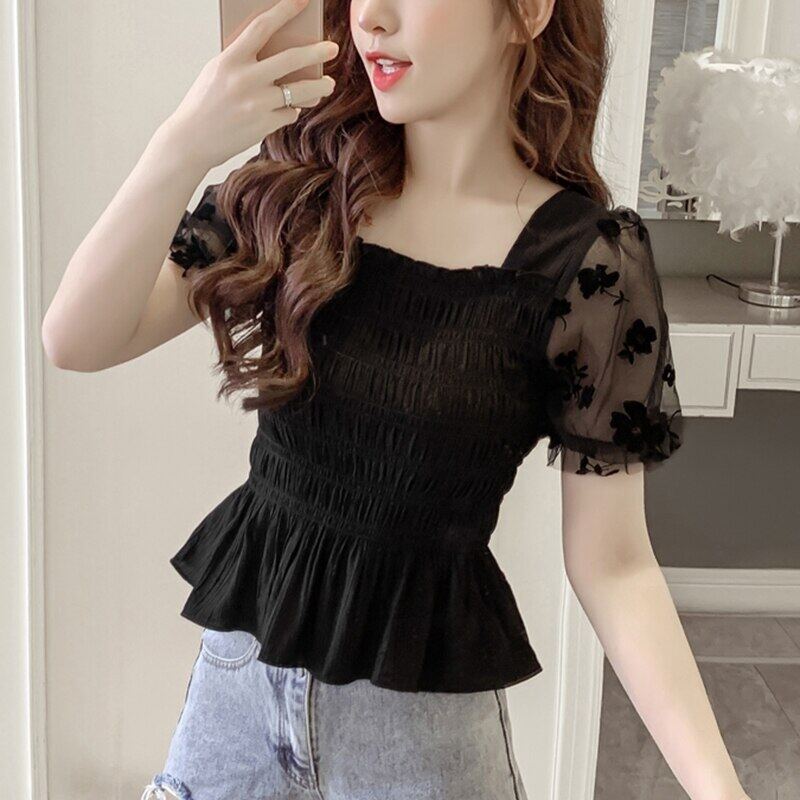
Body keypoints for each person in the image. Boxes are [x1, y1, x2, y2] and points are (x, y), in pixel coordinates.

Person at [42, 1, 751, 799]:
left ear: (526, 11)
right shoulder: (301, 192)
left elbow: (614, 565)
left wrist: (720, 791)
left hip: (416, 740)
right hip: (236, 700)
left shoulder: (588, 264)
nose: (370, 18)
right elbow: (77, 339)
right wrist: (183, 142)